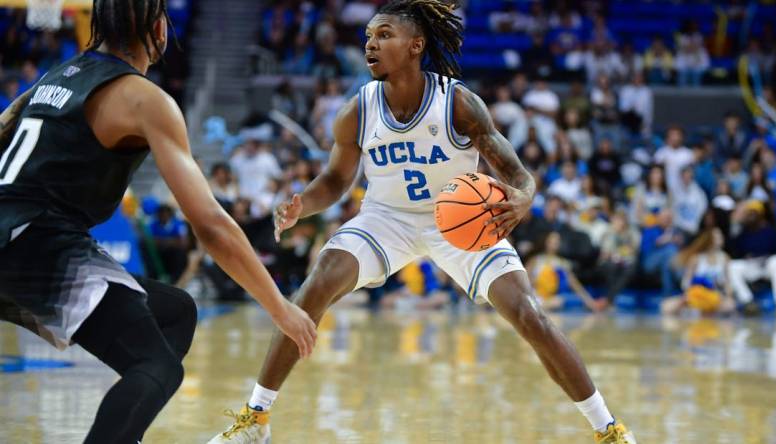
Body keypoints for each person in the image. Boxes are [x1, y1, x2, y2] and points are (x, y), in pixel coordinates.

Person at [209, 1, 635, 443]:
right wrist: (303, 205)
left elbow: (518, 174)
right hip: (385, 219)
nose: (371, 43)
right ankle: (254, 421)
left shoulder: (458, 103)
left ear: (416, 45)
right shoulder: (358, 109)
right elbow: (336, 180)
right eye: (369, 36)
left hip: (460, 223)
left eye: (385, 34)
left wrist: (524, 198)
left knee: (531, 316)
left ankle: (609, 430)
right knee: (317, 282)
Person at [0, 1, 316, 443]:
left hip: (17, 232)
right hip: (35, 239)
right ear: (157, 29)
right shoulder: (144, 99)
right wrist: (280, 308)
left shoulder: (55, 78)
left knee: (174, 312)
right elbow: (210, 224)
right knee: (157, 366)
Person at [661, 228, 736, 316]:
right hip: (698, 294)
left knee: (730, 305)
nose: (721, 238)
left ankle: (700, 312)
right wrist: (694, 288)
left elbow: (728, 282)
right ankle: (700, 311)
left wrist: (728, 294)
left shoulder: (724, 258)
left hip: (715, 296)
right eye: (717, 236)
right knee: (666, 306)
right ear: (709, 239)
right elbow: (685, 282)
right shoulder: (696, 258)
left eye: (720, 236)